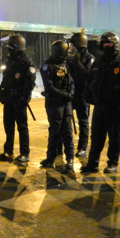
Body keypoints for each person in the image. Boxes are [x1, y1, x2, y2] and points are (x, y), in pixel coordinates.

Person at [80, 32, 120, 173]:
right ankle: (93, 163)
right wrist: (89, 96)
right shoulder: (98, 62)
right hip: (100, 106)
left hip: (116, 108)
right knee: (97, 136)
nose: (107, 46)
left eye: (110, 43)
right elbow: (90, 81)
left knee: (114, 137)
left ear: (115, 45)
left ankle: (112, 163)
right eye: (105, 44)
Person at [0, 34, 36, 163]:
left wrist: (25, 98)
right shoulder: (10, 61)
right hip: (9, 99)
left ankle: (24, 153)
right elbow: (5, 78)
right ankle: (8, 151)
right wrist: (1, 91)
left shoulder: (26, 62)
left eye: (10, 46)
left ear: (16, 47)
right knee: (8, 126)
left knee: (22, 127)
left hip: (19, 99)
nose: (8, 49)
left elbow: (29, 82)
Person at [39, 40, 75, 170]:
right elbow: (49, 87)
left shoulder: (66, 65)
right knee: (54, 130)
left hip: (66, 103)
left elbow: (71, 81)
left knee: (68, 131)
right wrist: (66, 95)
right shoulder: (47, 66)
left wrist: (71, 93)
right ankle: (50, 158)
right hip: (55, 103)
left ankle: (70, 159)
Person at [66, 31, 94, 157]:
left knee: (83, 121)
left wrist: (77, 61)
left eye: (72, 44)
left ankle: (82, 147)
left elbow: (87, 74)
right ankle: (66, 146)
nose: (70, 46)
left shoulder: (89, 58)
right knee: (65, 120)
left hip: (82, 93)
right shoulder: (69, 58)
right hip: (70, 93)